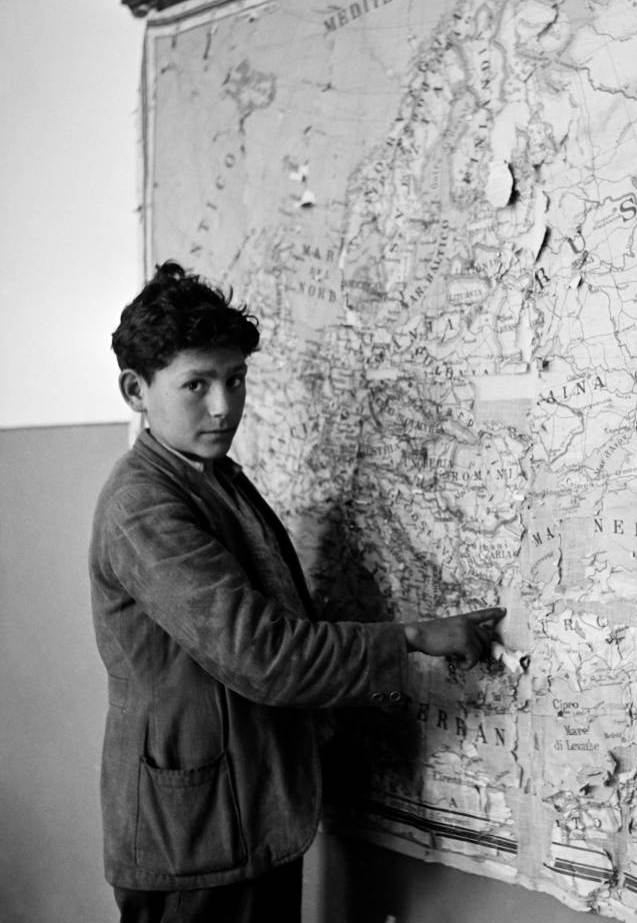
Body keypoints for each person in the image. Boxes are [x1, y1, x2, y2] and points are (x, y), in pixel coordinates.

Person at [89, 261, 505, 922]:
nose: (224, 405)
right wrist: (416, 638)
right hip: (196, 842)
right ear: (135, 390)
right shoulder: (144, 506)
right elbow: (262, 654)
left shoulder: (211, 474)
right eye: (196, 384)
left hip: (244, 815)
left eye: (235, 379)